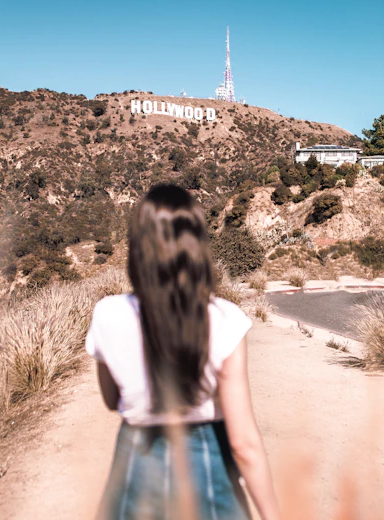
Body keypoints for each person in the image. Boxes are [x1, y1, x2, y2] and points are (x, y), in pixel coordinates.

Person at [86, 184, 280, 520]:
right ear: (196, 248)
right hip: (208, 468)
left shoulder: (108, 313)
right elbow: (243, 444)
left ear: (138, 247)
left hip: (135, 463)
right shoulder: (224, 319)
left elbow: (110, 400)